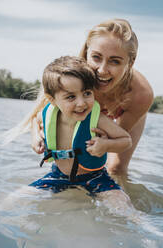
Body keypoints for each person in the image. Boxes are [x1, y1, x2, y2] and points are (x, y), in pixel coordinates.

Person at [31, 19, 153, 176]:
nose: (102, 70)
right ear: (87, 53)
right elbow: (39, 117)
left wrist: (106, 144)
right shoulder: (73, 78)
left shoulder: (140, 94)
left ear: (131, 62)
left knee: (115, 168)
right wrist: (37, 135)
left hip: (127, 109)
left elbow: (118, 140)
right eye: (96, 57)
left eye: (115, 61)